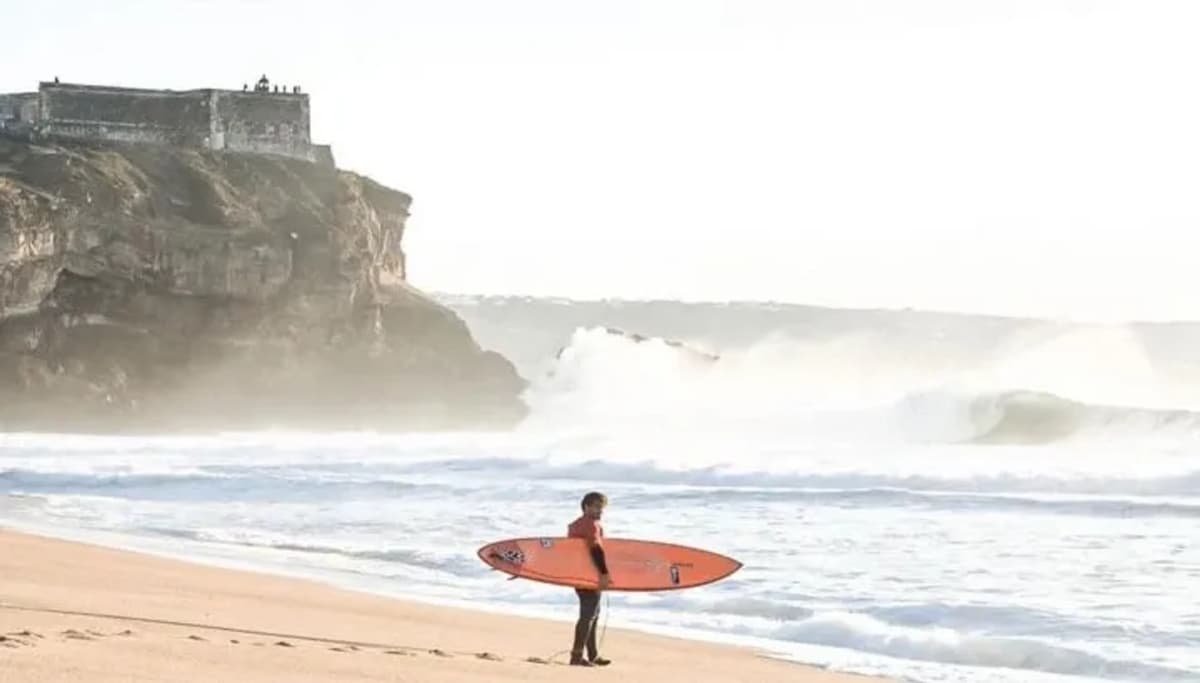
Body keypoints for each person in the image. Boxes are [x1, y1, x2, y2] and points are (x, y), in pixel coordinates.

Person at [567, 491, 612, 667]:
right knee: (588, 615)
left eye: (602, 508)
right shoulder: (591, 524)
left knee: (592, 614)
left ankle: (592, 655)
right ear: (586, 507)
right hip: (589, 575)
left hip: (578, 574)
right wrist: (604, 573)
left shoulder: (575, 525)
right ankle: (576, 656)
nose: (600, 511)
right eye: (596, 507)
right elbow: (595, 549)